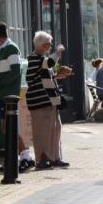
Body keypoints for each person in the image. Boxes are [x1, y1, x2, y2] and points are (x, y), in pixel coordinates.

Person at [0, 23, 34, 172]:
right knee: (6, 128)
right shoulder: (4, 49)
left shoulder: (11, 48)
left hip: (7, 95)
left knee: (9, 127)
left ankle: (26, 157)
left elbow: (16, 71)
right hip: (3, 94)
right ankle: (11, 159)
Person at [26, 31, 69, 169]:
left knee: (55, 129)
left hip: (50, 101)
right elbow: (48, 63)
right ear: (40, 45)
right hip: (40, 102)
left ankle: (54, 157)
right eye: (47, 45)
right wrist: (58, 52)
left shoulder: (41, 59)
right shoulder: (34, 59)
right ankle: (42, 159)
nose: (48, 47)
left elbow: (44, 77)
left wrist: (57, 76)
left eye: (49, 45)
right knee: (42, 131)